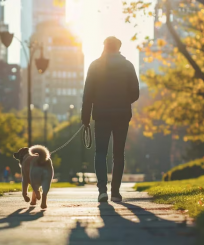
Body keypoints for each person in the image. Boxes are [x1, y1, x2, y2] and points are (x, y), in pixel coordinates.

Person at [81, 36, 140, 202]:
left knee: (100, 152)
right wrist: (123, 101)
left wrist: (85, 118)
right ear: (118, 48)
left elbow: (87, 95)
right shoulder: (128, 66)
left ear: (104, 47)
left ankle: (102, 191)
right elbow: (135, 92)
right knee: (118, 154)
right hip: (122, 115)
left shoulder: (95, 66)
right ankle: (115, 192)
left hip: (101, 114)